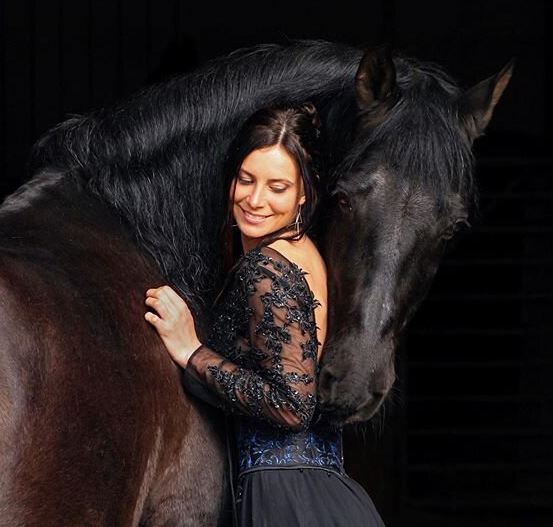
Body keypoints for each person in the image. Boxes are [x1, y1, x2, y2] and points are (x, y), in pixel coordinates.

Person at [144, 103, 385, 526]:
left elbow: (293, 405)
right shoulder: (305, 254)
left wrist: (191, 351)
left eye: (277, 187)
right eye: (245, 180)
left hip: (285, 500)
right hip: (313, 493)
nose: (255, 200)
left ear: (304, 193)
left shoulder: (267, 268)